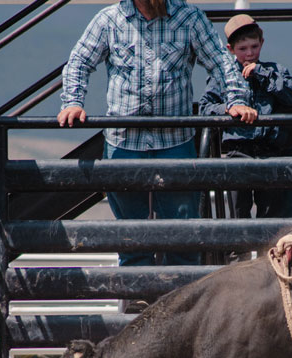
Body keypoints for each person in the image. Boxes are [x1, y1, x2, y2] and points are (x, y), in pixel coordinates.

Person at [58, 0, 258, 268]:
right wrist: (73, 102)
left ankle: (180, 306)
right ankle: (139, 305)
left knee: (184, 237)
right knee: (131, 239)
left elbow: (221, 61)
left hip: (174, 142)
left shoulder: (189, 18)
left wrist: (236, 99)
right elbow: (79, 62)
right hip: (124, 143)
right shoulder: (109, 20)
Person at [199, 14, 292, 218]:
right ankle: (240, 251)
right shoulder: (222, 76)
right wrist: (229, 109)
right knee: (239, 211)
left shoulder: (276, 71)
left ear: (262, 43)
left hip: (272, 152)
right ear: (230, 49)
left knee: (271, 212)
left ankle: (268, 250)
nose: (249, 53)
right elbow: (205, 107)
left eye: (254, 47)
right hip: (238, 152)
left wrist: (263, 75)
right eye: (242, 49)